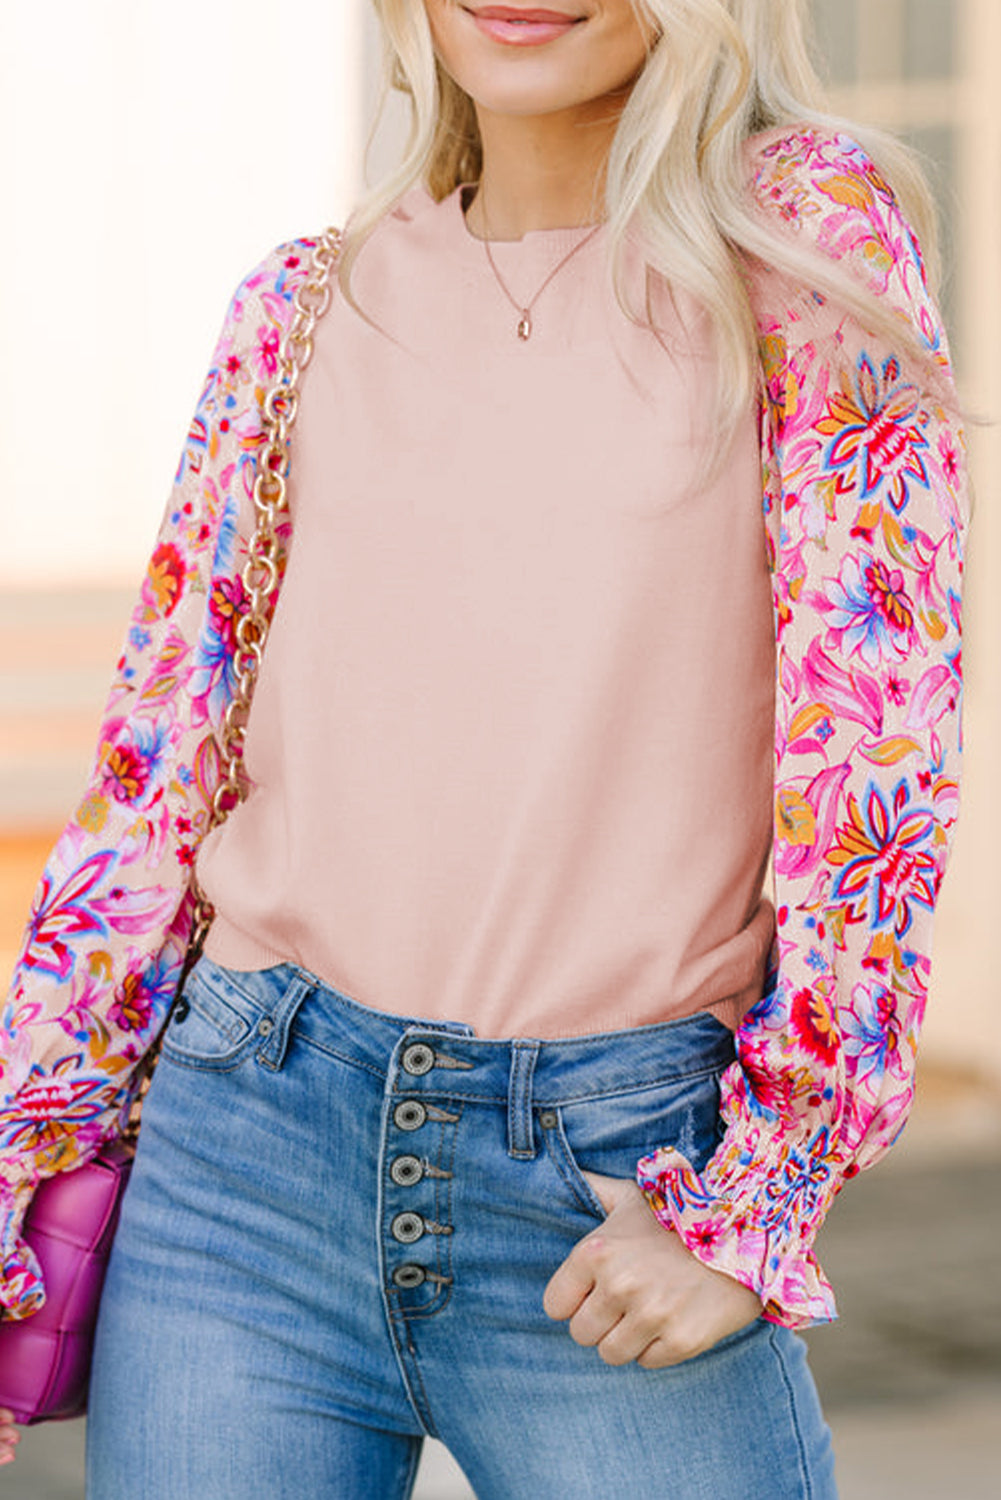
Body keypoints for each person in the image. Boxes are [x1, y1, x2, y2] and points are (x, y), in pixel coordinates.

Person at [0, 1, 968, 1495]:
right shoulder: (299, 308)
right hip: (245, 1153)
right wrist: (34, 1152)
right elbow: (153, 784)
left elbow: (870, 757)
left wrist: (762, 1190)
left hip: (612, 1171)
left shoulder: (803, 258)